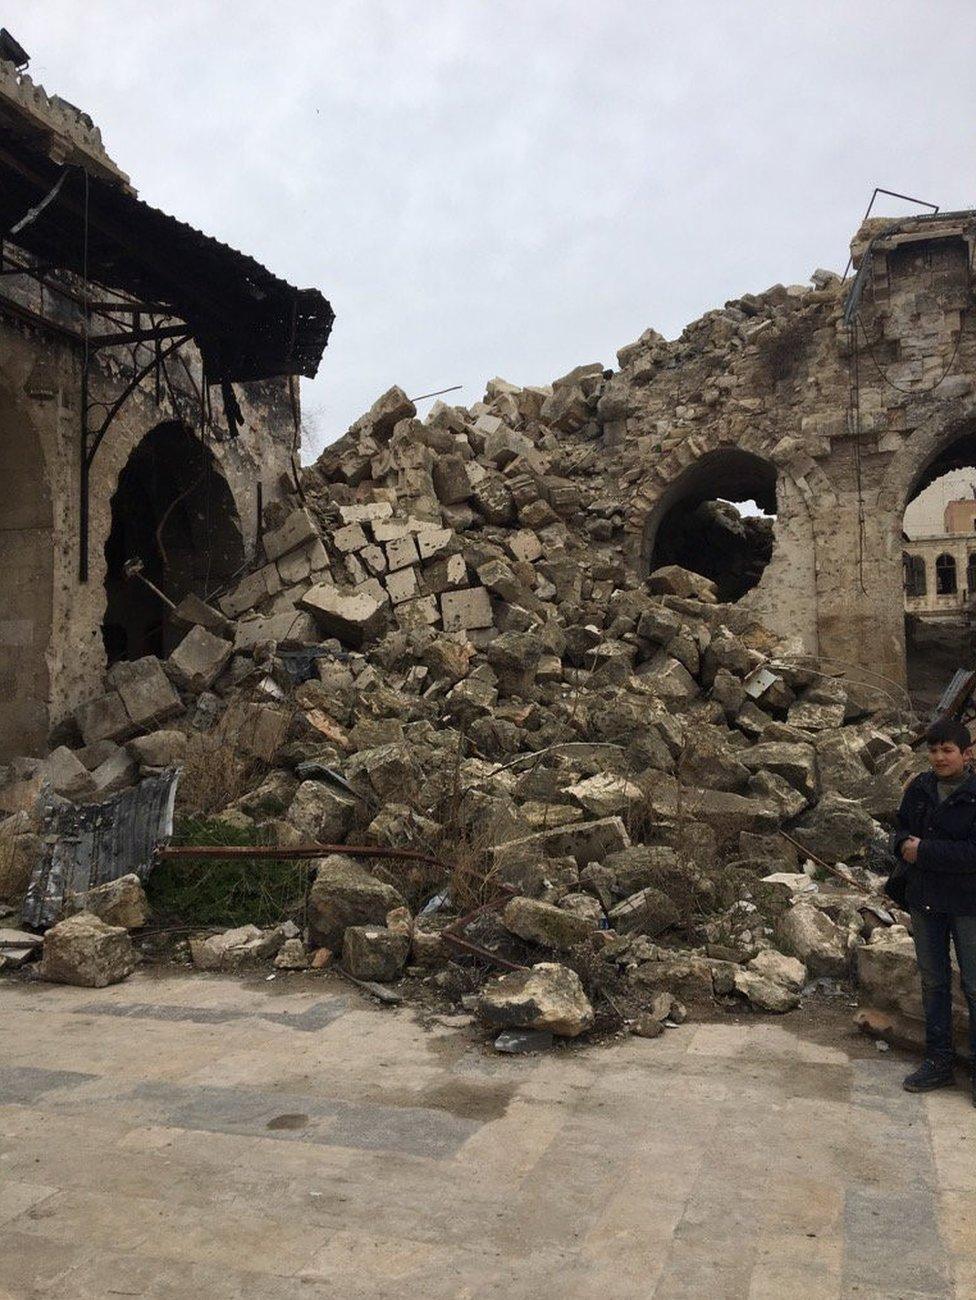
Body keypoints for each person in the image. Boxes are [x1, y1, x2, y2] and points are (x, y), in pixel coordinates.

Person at [893, 718, 976, 1101]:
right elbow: (899, 832)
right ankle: (938, 1062)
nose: (939, 757)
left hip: (968, 904)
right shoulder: (921, 789)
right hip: (926, 900)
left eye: (948, 750)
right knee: (933, 982)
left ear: (967, 753)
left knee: (974, 986)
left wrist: (922, 851)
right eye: (933, 750)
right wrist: (902, 847)